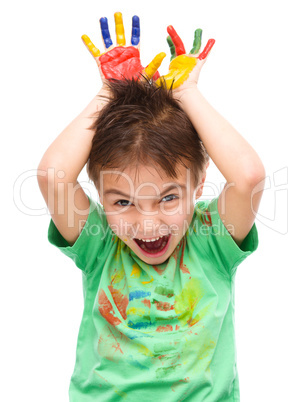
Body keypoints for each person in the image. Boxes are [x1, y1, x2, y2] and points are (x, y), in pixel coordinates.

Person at [37, 12, 265, 402]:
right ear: (99, 192)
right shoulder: (100, 243)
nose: (148, 223)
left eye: (169, 198)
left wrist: (187, 93)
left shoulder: (211, 240)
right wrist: (111, 92)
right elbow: (52, 177)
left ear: (200, 179)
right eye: (123, 201)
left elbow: (248, 177)